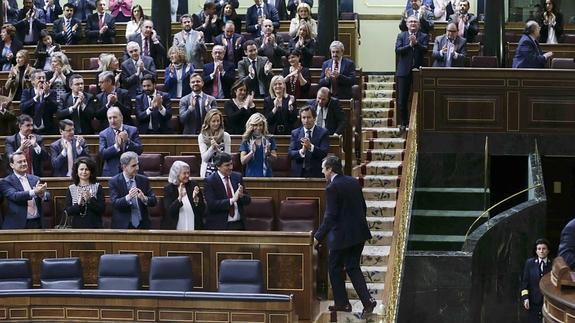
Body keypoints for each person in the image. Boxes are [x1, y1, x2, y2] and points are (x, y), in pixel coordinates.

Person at [313, 155, 377, 318]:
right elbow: (363, 207)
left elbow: (330, 216)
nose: (322, 172)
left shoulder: (332, 188)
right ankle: (367, 301)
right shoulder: (353, 181)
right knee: (352, 266)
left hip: (342, 237)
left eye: (323, 169)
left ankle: (342, 302)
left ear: (330, 169)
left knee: (334, 266)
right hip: (359, 233)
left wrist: (318, 237)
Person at [395, 16, 428, 133]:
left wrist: (416, 43)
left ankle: (418, 122)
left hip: (418, 72)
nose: (413, 23)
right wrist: (409, 45)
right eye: (411, 21)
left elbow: (425, 49)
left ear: (418, 24)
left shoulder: (423, 36)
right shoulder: (401, 35)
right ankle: (403, 123)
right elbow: (397, 50)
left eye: (415, 21)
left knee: (419, 98)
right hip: (403, 72)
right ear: (407, 24)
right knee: (402, 100)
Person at [0, 151, 49, 229]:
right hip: (17, 225)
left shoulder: (35, 178)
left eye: (24, 161)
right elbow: (15, 196)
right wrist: (35, 192)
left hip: (37, 222)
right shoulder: (6, 181)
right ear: (12, 165)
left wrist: (42, 194)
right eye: (20, 162)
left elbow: (47, 195)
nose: (23, 164)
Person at [108, 151, 157, 229]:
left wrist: (144, 198)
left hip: (143, 225)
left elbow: (154, 201)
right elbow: (115, 203)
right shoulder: (114, 181)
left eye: (137, 164)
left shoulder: (143, 180)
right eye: (133, 166)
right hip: (123, 226)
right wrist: (128, 197)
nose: (137, 168)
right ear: (124, 167)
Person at [203, 152, 251, 230]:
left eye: (231, 164)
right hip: (220, 226)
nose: (231, 167)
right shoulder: (210, 181)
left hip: (238, 224)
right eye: (227, 165)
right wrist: (231, 200)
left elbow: (248, 200)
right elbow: (212, 205)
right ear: (218, 166)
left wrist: (242, 196)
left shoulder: (237, 177)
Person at [98, 106, 143, 177]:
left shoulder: (133, 130)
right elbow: (102, 154)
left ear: (121, 117)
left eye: (115, 117)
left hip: (131, 171)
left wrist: (128, 141)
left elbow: (139, 150)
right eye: (110, 118)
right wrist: (116, 146)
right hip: (111, 172)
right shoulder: (103, 134)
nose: (112, 120)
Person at [163, 160, 205, 230]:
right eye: (184, 173)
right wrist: (179, 198)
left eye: (188, 173)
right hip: (176, 226)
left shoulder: (193, 185)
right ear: (176, 174)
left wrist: (196, 200)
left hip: (195, 225)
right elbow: (170, 211)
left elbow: (202, 210)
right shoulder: (169, 188)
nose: (187, 175)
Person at [288, 106, 329, 177]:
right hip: (298, 173)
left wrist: (310, 147)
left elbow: (324, 153)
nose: (306, 120)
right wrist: (302, 151)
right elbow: (291, 153)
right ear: (300, 119)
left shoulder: (323, 132)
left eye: (309, 117)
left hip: (316, 173)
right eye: (304, 118)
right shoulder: (295, 133)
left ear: (314, 118)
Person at [64, 157, 104, 228]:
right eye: (81, 169)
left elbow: (101, 210)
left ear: (91, 171)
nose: (84, 172)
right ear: (77, 171)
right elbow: (68, 211)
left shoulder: (98, 187)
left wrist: (90, 200)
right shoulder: (71, 188)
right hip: (76, 227)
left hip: (95, 227)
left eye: (87, 169)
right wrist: (78, 204)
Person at [521, 238, 551, 323]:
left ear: (548, 250)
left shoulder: (553, 264)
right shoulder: (529, 263)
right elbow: (525, 282)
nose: (541, 251)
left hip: (547, 303)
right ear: (536, 251)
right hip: (533, 302)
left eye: (544, 249)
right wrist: (525, 298)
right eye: (539, 249)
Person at [20, 69, 59, 135]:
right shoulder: (27, 92)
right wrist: (35, 98)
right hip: (30, 130)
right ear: (32, 81)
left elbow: (55, 109)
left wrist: (47, 95)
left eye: (44, 78)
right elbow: (23, 108)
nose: (42, 80)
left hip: (48, 129)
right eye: (39, 78)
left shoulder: (52, 92)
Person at [240, 113, 277, 177]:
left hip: (267, 175)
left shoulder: (269, 139)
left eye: (260, 125)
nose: (258, 128)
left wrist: (268, 154)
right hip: (251, 175)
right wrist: (252, 152)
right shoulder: (246, 140)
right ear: (251, 126)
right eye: (255, 125)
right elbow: (243, 161)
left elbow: (274, 159)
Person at [198, 109, 231, 178]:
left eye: (218, 121)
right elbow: (204, 158)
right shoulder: (202, 136)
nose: (216, 123)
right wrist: (212, 148)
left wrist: (218, 150)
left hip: (222, 172)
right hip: (207, 171)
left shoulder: (225, 136)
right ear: (208, 122)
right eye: (213, 121)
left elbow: (227, 158)